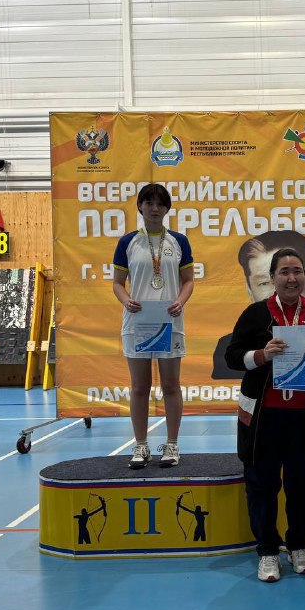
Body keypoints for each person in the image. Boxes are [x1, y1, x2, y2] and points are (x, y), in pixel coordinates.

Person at [224, 247, 305, 582]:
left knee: (302, 484)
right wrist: (261, 355)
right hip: (262, 419)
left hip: (304, 417)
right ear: (273, 278)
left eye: (297, 271)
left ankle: (299, 547)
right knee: (262, 485)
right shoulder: (255, 314)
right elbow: (231, 356)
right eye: (284, 272)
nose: (291, 278)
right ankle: (268, 551)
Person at [113, 183, 194, 469]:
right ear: (140, 206)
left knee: (171, 385)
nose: (155, 208)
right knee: (140, 387)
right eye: (149, 203)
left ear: (167, 208)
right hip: (137, 322)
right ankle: (141, 446)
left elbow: (188, 281)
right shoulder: (128, 242)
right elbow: (117, 284)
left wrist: (180, 301)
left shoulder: (179, 241)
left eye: (160, 204)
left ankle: (171, 445)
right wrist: (126, 300)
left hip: (170, 320)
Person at [212, 230, 305, 379]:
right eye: (264, 283)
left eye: (293, 272)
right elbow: (232, 361)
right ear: (249, 290)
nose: (279, 286)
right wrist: (262, 355)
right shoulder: (226, 345)